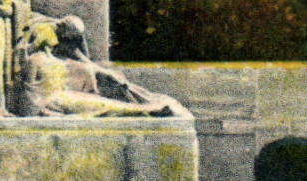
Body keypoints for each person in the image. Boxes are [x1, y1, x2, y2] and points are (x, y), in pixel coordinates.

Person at [18, 15, 192, 118]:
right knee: (103, 105)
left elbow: (80, 56)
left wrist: (101, 70)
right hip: (55, 98)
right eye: (65, 38)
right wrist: (47, 112)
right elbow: (30, 99)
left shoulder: (56, 54)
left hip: (62, 91)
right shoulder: (37, 55)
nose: (62, 42)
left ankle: (148, 102)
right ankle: (147, 109)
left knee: (109, 86)